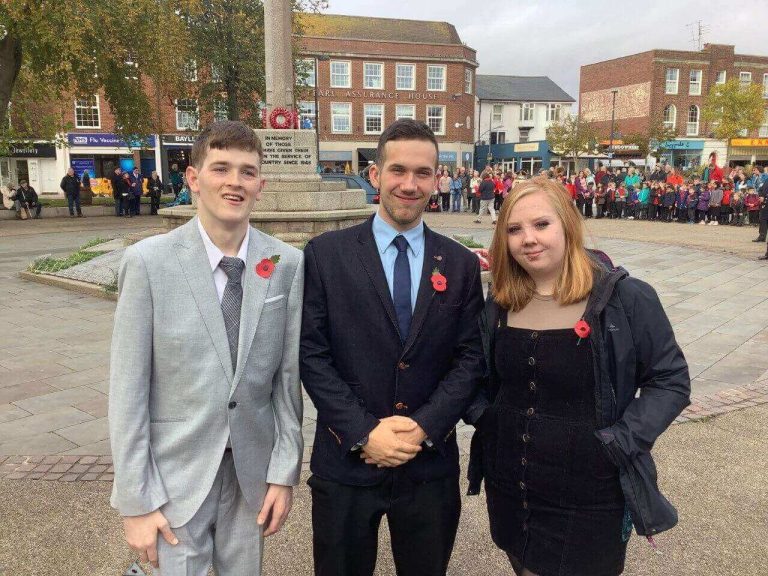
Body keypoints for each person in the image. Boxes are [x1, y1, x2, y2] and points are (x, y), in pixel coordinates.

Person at [466, 176, 690, 576]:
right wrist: (488, 419)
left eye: (541, 224)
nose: (528, 239)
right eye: (514, 230)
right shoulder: (501, 301)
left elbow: (670, 380)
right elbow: (477, 373)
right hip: (513, 487)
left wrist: (619, 442)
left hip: (591, 494)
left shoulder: (625, 298)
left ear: (567, 224)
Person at [109, 121, 304, 575]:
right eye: (221, 168)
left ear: (261, 185)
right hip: (175, 476)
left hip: (250, 476)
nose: (234, 182)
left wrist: (284, 471)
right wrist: (136, 503)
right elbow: (128, 390)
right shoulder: (148, 263)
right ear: (193, 179)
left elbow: (287, 381)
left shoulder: (285, 264)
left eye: (247, 172)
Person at [300, 119, 485, 576]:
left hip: (429, 464)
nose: (410, 184)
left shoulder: (459, 263)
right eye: (398, 170)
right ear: (375, 174)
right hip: (347, 459)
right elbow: (312, 354)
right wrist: (364, 433)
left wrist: (424, 426)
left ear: (437, 178)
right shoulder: (325, 254)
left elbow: (471, 357)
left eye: (423, 173)